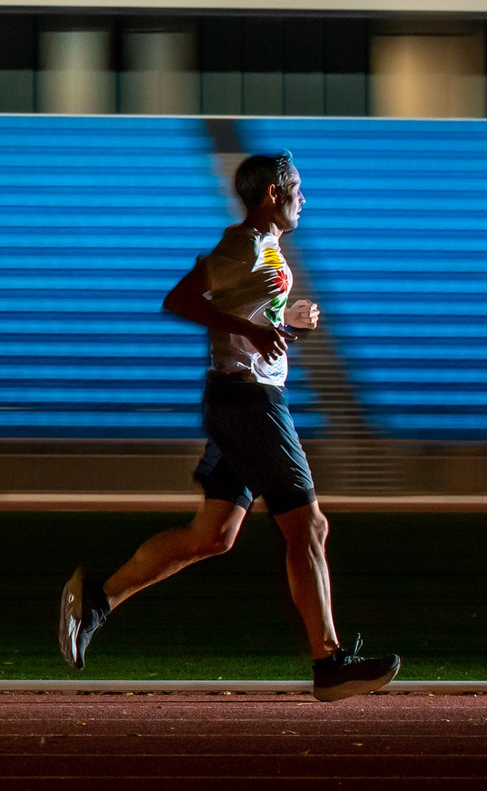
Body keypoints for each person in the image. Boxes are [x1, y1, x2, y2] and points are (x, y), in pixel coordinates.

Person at [58, 152, 398, 702]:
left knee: (213, 536)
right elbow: (182, 298)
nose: (303, 199)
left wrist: (285, 321)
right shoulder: (241, 243)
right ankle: (329, 661)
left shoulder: (265, 248)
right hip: (249, 403)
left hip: (241, 399)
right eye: (297, 190)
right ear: (271, 193)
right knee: (309, 528)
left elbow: (248, 312)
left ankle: (99, 597)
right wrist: (250, 329)